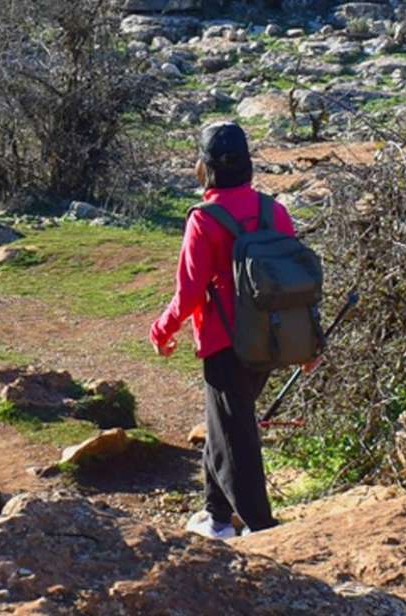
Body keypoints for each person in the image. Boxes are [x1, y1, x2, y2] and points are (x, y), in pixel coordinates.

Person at [150, 121, 294, 540]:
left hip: (225, 343)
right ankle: (216, 517)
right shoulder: (274, 211)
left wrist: (162, 331)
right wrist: (308, 340)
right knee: (224, 426)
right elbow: (294, 282)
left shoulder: (204, 219)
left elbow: (190, 293)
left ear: (204, 167)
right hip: (272, 341)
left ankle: (260, 525)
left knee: (235, 436)